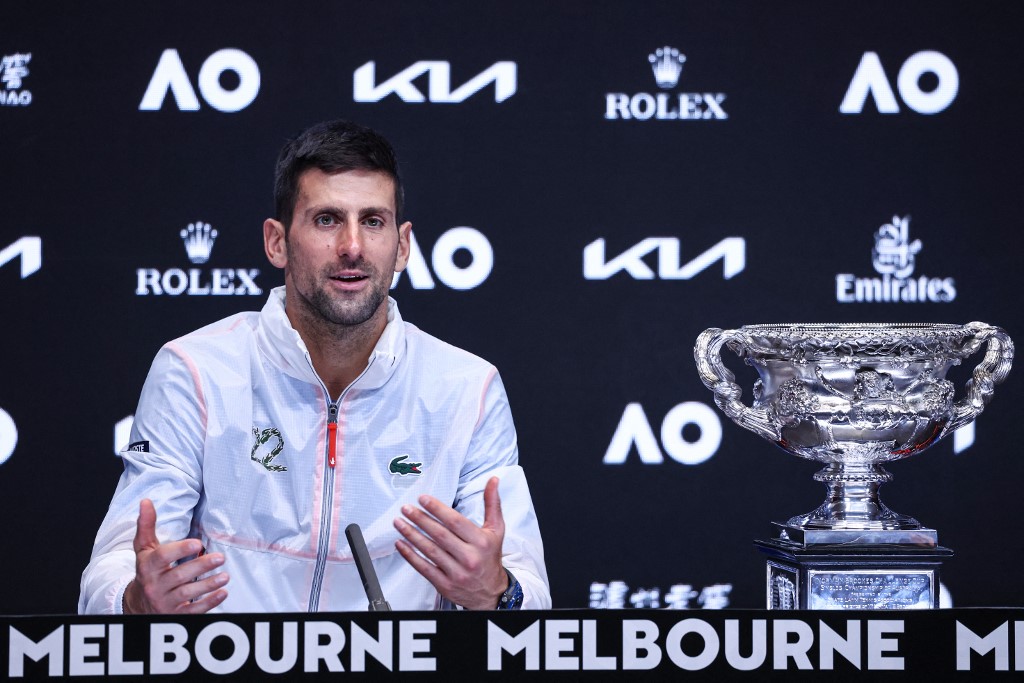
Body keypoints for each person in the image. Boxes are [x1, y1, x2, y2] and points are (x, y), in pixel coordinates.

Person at [79, 120, 549, 614]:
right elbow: (111, 570)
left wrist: (498, 594)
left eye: (373, 221)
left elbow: (529, 594)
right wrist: (134, 602)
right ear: (277, 242)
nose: (352, 246)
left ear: (402, 245)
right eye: (327, 219)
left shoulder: (467, 388)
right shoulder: (195, 370)